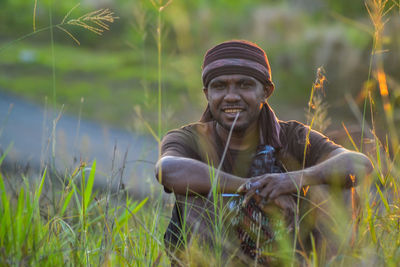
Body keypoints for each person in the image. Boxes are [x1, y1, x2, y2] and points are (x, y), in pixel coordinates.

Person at [155, 40, 372, 265]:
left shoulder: (294, 136)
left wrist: (292, 181)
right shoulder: (190, 138)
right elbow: (167, 169)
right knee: (194, 188)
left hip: (289, 255)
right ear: (207, 94)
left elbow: (359, 164)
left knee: (337, 183)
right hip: (216, 257)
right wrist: (252, 189)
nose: (231, 96)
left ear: (266, 92)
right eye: (219, 86)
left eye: (245, 85)